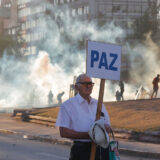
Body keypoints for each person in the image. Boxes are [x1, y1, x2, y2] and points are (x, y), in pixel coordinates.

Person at [56, 73, 111, 160]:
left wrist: (105, 129)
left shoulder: (99, 104)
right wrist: (89, 135)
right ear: (77, 87)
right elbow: (64, 132)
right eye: (85, 84)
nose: (88, 86)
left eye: (90, 84)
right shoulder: (68, 105)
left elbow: (108, 125)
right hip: (81, 150)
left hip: (101, 150)